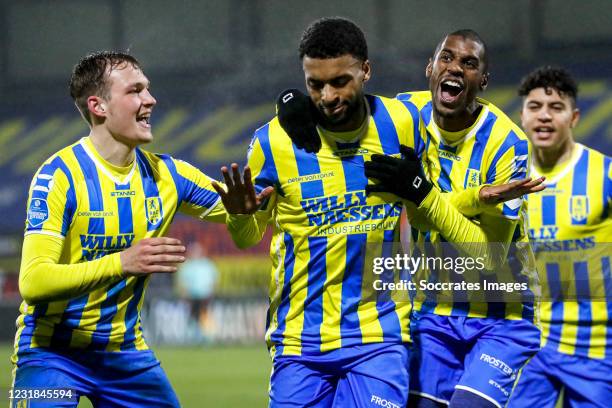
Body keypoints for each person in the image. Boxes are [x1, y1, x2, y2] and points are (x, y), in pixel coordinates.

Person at [275, 29, 543, 408]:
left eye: (469, 64)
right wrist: (290, 102)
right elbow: (338, 101)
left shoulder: (506, 144)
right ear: (430, 67)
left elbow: (491, 257)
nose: (455, 68)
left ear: (482, 81)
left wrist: (422, 194)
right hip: (434, 310)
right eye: (446, 58)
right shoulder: (404, 115)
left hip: (503, 313)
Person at [10, 51, 270, 407]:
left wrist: (241, 215)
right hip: (50, 353)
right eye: (135, 91)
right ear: (98, 106)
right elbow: (33, 282)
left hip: (125, 355)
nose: (150, 99)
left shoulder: (169, 175)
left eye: (147, 89)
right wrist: (122, 262)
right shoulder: (58, 177)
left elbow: (247, 236)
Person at [508, 66, 612, 407]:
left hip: (597, 350)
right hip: (532, 346)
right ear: (522, 116)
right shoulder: (507, 182)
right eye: (535, 107)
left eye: (556, 107)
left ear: (575, 117)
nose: (544, 116)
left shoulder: (605, 175)